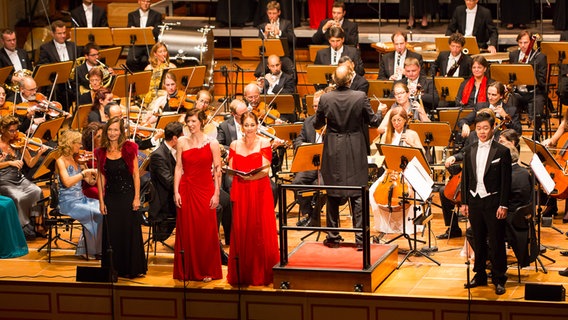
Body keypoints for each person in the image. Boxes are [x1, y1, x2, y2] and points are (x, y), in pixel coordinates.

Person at [314, 65, 380, 249]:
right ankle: (360, 239)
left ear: (334, 80)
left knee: (333, 193)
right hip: (355, 146)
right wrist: (381, 111)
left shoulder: (325, 98)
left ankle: (333, 237)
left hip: (333, 146)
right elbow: (373, 121)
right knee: (357, 193)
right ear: (350, 79)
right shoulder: (360, 97)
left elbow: (317, 123)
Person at [226, 111, 279, 286]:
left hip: (259, 190)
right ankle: (244, 273)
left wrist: (250, 178)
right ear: (241, 127)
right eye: (246, 125)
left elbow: (265, 170)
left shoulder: (264, 142)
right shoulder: (234, 144)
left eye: (252, 125)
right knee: (243, 229)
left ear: (257, 125)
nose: (249, 129)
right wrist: (237, 174)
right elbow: (232, 168)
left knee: (259, 230)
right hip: (241, 189)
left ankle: (262, 273)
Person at [462, 111, 511, 296]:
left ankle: (499, 278)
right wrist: (465, 202)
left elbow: (506, 181)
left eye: (485, 128)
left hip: (493, 202)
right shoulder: (469, 149)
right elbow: (466, 178)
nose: (482, 132)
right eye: (479, 128)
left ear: (492, 129)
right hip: (475, 201)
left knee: (497, 241)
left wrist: (503, 205)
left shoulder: (502, 151)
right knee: (479, 240)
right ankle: (480, 274)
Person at [173, 110, 223, 281]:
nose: (191, 124)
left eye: (194, 121)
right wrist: (176, 191)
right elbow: (178, 167)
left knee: (206, 230)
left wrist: (216, 193)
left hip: (205, 189)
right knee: (187, 229)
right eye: (189, 121)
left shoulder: (213, 143)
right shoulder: (181, 141)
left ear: (201, 122)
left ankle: (206, 269)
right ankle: (187, 270)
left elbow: (218, 170)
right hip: (186, 189)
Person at [95, 117, 146, 279]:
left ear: (121, 131)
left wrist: (137, 198)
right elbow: (100, 177)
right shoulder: (101, 151)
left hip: (128, 196)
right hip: (111, 197)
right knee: (113, 234)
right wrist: (101, 201)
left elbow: (136, 175)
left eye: (116, 130)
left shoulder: (130, 148)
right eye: (110, 130)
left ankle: (130, 268)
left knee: (129, 232)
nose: (112, 133)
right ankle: (113, 268)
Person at [371, 107, 424, 234]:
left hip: (409, 171)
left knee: (408, 194)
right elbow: (382, 155)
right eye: (393, 120)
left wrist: (412, 144)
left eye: (399, 120)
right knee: (372, 191)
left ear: (405, 120)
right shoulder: (387, 135)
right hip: (390, 172)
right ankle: (386, 226)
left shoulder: (412, 134)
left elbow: (422, 155)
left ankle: (410, 225)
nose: (396, 123)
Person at [55, 130, 102, 259]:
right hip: (68, 202)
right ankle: (88, 251)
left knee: (103, 209)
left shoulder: (77, 160)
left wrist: (96, 173)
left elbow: (91, 182)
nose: (80, 146)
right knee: (94, 213)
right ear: (70, 143)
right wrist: (83, 173)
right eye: (78, 144)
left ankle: (96, 248)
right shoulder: (61, 161)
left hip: (81, 199)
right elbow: (67, 182)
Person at [0, 115, 48, 240]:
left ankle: (38, 225)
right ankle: (22, 229)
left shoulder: (18, 142)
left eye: (16, 130)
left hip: (18, 179)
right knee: (18, 197)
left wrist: (39, 154)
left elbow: (31, 163)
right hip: (4, 181)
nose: (15, 133)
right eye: (11, 131)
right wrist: (9, 163)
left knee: (37, 191)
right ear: (2, 130)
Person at [294, 90, 326, 227]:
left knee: (322, 186)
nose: (316, 109)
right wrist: (304, 145)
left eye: (319, 105)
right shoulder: (308, 121)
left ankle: (314, 217)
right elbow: (298, 140)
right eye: (314, 106)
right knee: (297, 182)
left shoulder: (332, 122)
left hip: (326, 166)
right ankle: (308, 213)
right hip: (310, 164)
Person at [509, 30, 547, 140]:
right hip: (518, 93)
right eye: (520, 42)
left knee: (538, 105)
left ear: (531, 42)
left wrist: (527, 73)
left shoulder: (540, 57)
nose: (523, 45)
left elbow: (542, 80)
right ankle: (514, 135)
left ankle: (536, 137)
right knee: (510, 106)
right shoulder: (513, 55)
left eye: (525, 42)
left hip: (534, 92)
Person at [126, 0, 164, 72]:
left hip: (150, 45)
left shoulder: (157, 15)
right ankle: (137, 76)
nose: (145, 4)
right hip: (137, 44)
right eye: (143, 1)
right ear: (139, 2)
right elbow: (130, 30)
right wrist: (148, 29)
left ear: (150, 3)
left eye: (148, 2)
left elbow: (156, 31)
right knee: (130, 61)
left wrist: (138, 29)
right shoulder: (132, 15)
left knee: (153, 61)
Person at [81, 122, 103, 199]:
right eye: (99, 136)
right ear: (91, 140)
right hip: (92, 188)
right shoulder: (88, 157)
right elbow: (92, 181)